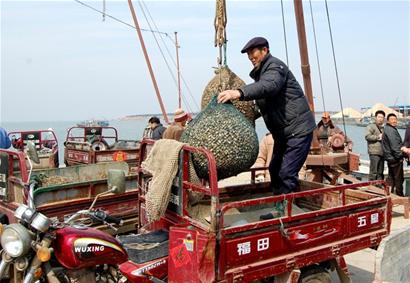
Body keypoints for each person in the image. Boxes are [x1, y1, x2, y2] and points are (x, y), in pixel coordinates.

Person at [217, 37, 316, 218]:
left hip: (298, 130)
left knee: (287, 173)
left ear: (265, 50)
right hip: (283, 133)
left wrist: (239, 92)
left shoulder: (274, 68)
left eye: (253, 52)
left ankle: (284, 214)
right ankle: (280, 205)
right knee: (274, 169)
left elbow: (269, 87)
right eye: (248, 54)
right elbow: (267, 103)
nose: (250, 57)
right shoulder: (262, 74)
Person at [382, 113, 404, 196]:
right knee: (398, 179)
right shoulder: (391, 130)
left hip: (390, 158)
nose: (394, 121)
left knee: (391, 178)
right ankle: (400, 196)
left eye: (395, 119)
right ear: (388, 121)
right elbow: (395, 146)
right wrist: (401, 156)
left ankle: (389, 194)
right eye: (392, 119)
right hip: (395, 159)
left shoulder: (388, 129)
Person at [365, 110, 385, 180]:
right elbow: (367, 136)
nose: (380, 119)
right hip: (374, 152)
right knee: (373, 172)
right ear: (375, 117)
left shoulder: (383, 128)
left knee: (380, 172)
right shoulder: (371, 126)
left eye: (382, 117)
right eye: (379, 117)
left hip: (382, 153)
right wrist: (378, 137)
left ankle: (379, 188)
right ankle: (371, 187)